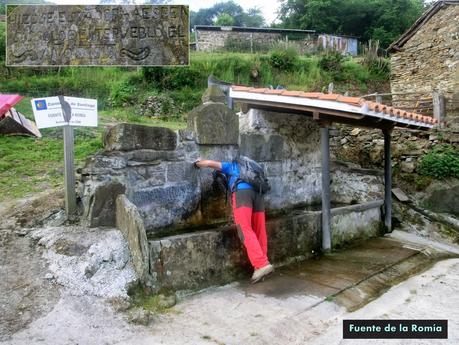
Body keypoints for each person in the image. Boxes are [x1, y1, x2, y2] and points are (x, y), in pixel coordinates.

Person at [194, 158, 274, 283]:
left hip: (242, 194)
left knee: (244, 229)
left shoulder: (231, 166)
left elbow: (210, 164)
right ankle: (261, 265)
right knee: (260, 230)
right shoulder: (251, 170)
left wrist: (198, 163)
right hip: (258, 194)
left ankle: (261, 263)